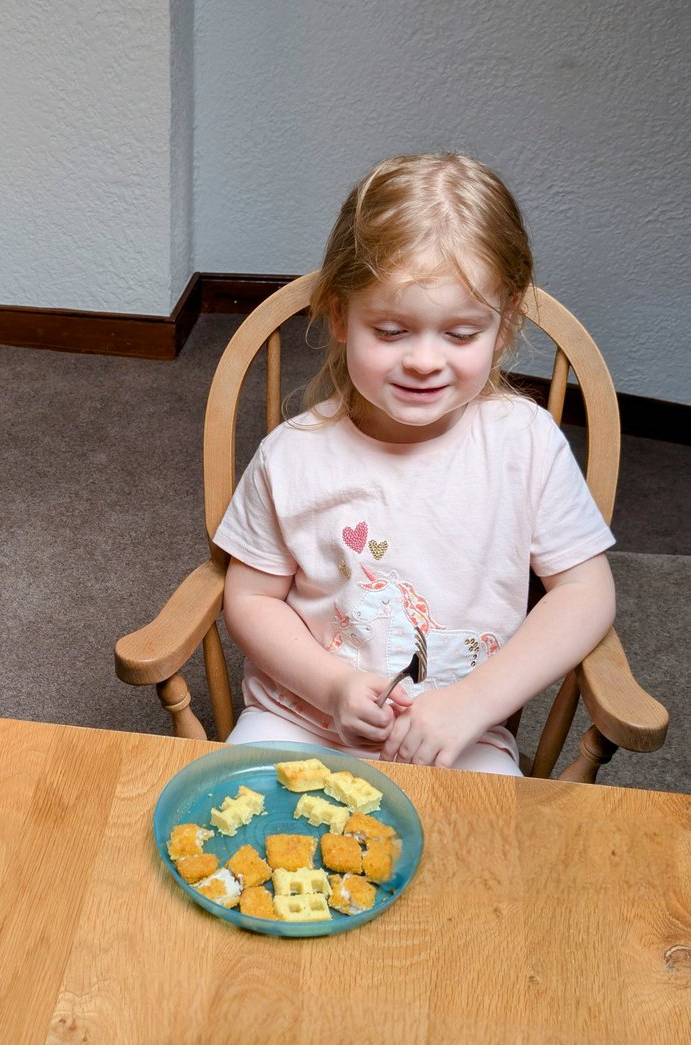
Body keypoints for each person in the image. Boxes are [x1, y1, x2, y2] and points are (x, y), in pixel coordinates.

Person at [213, 152, 616, 775]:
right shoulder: (293, 455)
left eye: (460, 334)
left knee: (480, 864)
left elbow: (585, 592)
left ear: (504, 324)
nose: (426, 360)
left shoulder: (524, 442)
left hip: (464, 733)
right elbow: (250, 599)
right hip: (297, 719)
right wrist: (331, 686)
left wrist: (473, 704)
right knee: (239, 841)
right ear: (341, 315)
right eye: (394, 330)